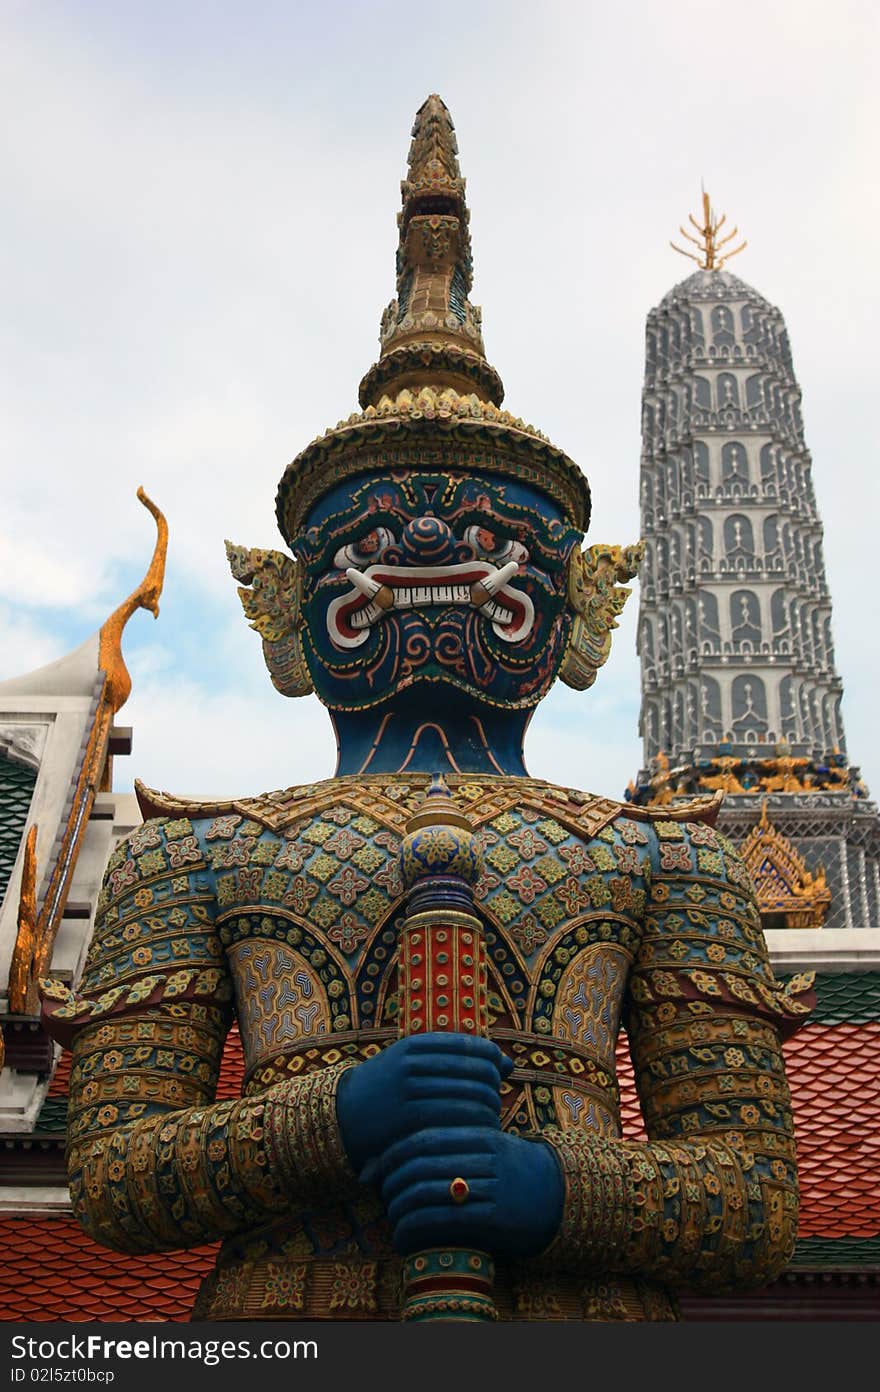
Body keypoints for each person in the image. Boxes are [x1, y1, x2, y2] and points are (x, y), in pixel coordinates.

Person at [42, 96, 812, 1323]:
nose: (434, 539)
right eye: (378, 527)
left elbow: (752, 1201)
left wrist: (553, 1189)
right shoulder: (197, 855)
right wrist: (338, 1119)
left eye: (491, 529)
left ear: (579, 610)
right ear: (288, 611)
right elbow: (116, 1180)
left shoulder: (670, 862)